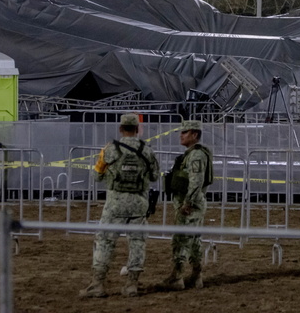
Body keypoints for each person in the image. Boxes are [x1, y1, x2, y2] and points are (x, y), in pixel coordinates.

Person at [81, 113, 160, 298]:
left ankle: (97, 284)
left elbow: (97, 175)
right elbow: (155, 176)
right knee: (137, 243)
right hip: (139, 204)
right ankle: (132, 284)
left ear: (121, 128)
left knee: (105, 242)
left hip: (115, 203)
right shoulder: (147, 150)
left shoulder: (110, 149)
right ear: (137, 129)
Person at [163, 120, 213, 290]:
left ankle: (177, 277)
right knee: (193, 241)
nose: (181, 135)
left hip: (190, 204)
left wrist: (188, 202)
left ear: (194, 135)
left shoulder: (197, 155)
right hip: (191, 202)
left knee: (181, 239)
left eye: (185, 132)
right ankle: (196, 276)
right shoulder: (191, 154)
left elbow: (196, 180)